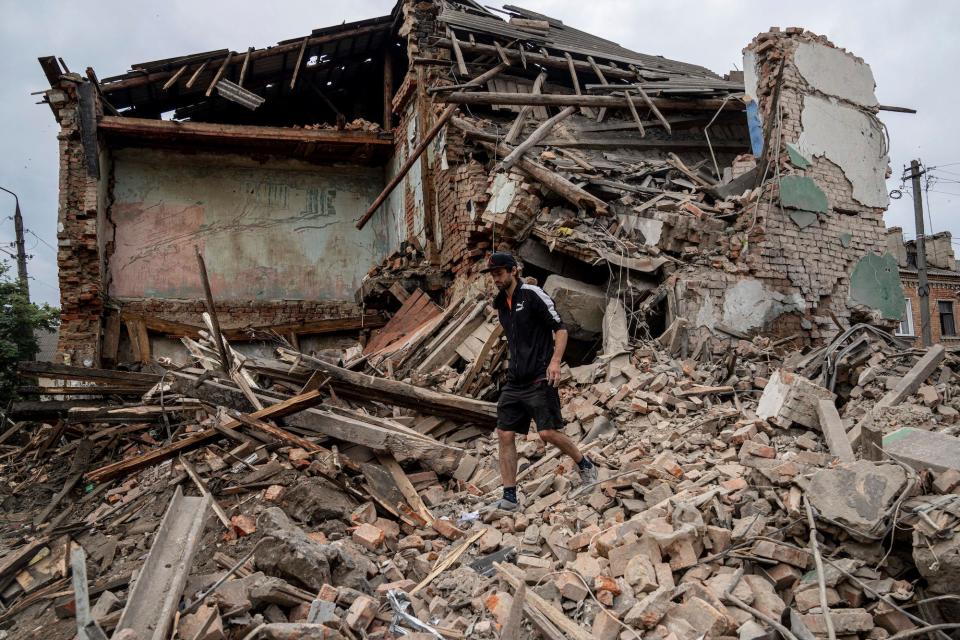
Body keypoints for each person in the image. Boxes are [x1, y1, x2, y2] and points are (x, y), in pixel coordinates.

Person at [480, 251, 597, 512]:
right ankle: (509, 497)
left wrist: (555, 362)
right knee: (504, 432)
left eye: (499, 274)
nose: (495, 279)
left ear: (513, 271)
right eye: (492, 275)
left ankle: (585, 465)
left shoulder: (533, 295)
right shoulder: (500, 303)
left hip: (539, 376)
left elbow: (561, 329)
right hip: (515, 380)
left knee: (547, 433)